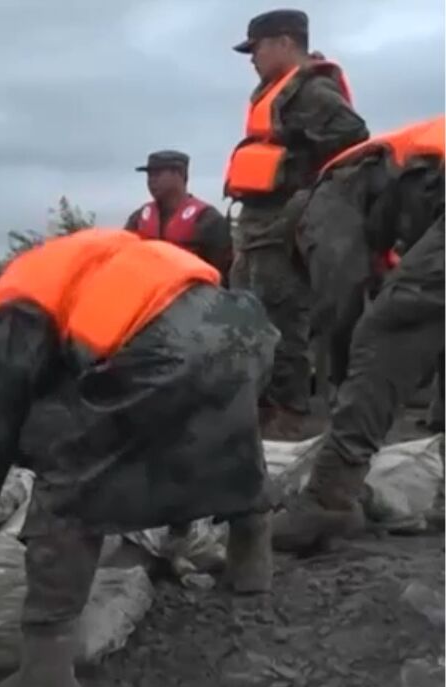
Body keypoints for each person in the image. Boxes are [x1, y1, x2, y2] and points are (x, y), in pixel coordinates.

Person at [0, 228, 279, 687]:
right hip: (245, 330)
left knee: (69, 487)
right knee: (229, 433)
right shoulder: (86, 261)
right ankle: (252, 567)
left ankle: (45, 672)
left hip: (166, 349)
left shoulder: (15, 307)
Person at [273, 115, 445, 553]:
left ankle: (328, 497)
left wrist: (348, 368)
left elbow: (341, 293)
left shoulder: (327, 195)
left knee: (389, 324)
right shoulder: (402, 177)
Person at [224, 8, 369, 439]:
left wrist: (308, 196)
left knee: (281, 315)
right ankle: (265, 402)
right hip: (256, 226)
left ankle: (290, 410)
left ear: (286, 43)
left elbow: (354, 140)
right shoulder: (276, 91)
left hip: (282, 223)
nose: (252, 57)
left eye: (258, 47)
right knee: (246, 313)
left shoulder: (313, 91)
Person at [125, 150, 232, 281]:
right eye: (149, 175)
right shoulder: (138, 218)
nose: (151, 181)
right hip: (147, 293)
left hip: (191, 295)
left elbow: (224, 273)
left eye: (157, 174)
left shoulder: (208, 219)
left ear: (179, 174)